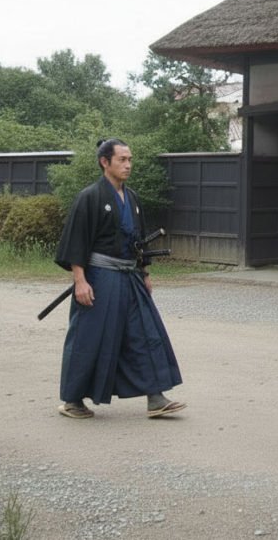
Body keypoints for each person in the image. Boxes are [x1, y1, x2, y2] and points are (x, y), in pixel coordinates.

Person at [54, 138, 185, 419]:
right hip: (100, 277)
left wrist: (145, 273)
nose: (127, 165)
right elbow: (76, 241)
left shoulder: (133, 198)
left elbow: (140, 241)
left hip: (130, 276)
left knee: (145, 333)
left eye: (129, 160)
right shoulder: (89, 197)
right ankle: (73, 400)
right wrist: (80, 280)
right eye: (122, 160)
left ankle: (156, 398)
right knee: (90, 336)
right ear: (105, 162)